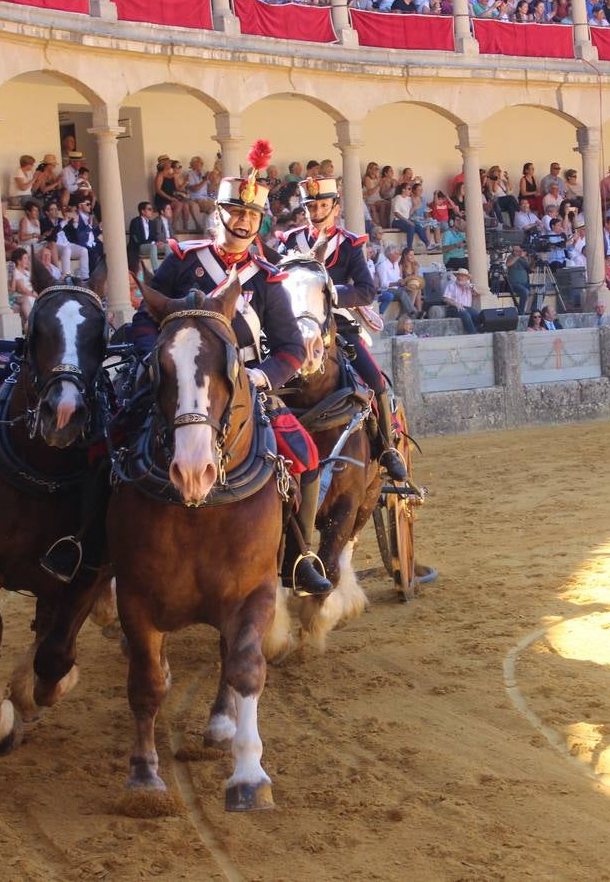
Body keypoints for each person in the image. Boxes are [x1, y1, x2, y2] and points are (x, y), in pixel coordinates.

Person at [130, 140, 330, 597]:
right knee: (113, 438)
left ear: (259, 223)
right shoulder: (183, 262)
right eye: (235, 214)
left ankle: (298, 555)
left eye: (251, 217)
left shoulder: (267, 278)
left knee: (305, 455)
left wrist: (263, 377)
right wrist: (156, 360)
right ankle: (99, 547)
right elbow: (144, 320)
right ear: (218, 215)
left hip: (242, 390)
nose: (243, 223)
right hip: (178, 385)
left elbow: (289, 349)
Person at [273, 173, 410, 484]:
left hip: (337, 325)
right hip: (292, 327)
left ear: (334, 206)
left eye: (323, 205)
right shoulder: (290, 241)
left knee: (376, 381)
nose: (317, 211)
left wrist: (332, 294)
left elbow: (366, 291)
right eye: (311, 206)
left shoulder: (348, 244)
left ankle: (387, 448)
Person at [442, 267, 481, 333]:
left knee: (477, 314)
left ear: (466, 278)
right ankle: (473, 333)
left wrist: (471, 288)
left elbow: (479, 293)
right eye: (459, 275)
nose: (460, 277)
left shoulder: (470, 286)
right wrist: (456, 304)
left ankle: (479, 331)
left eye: (462, 276)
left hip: (467, 308)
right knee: (465, 313)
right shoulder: (451, 286)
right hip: (453, 308)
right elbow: (445, 299)